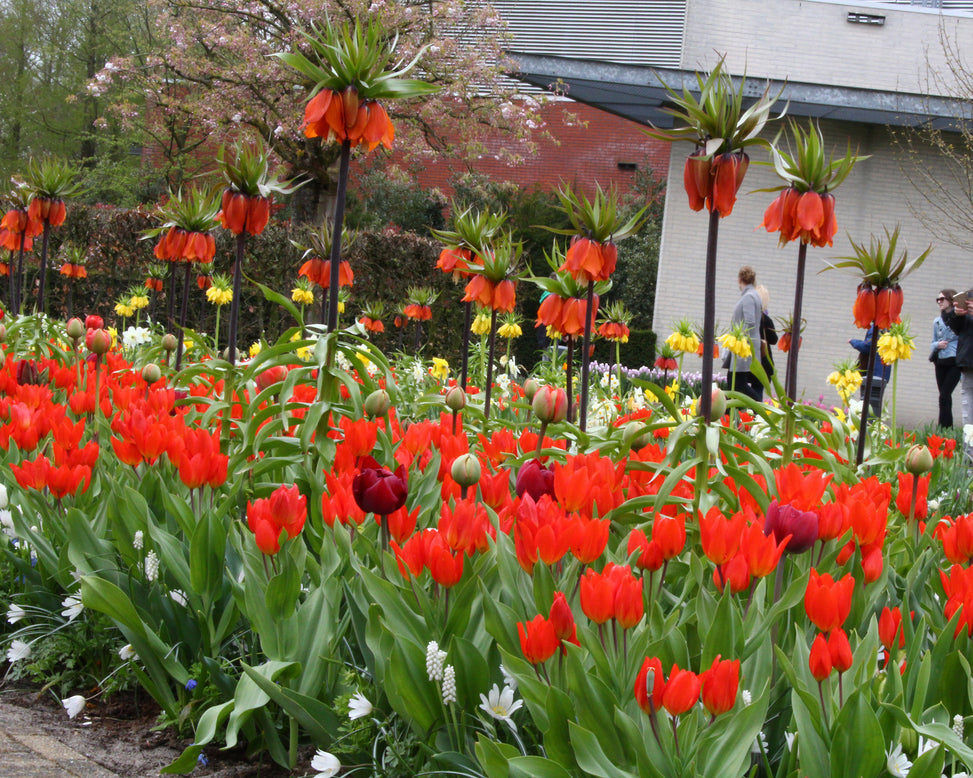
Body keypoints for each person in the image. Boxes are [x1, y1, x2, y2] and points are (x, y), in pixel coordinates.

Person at [728, 265, 762, 401]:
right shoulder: (755, 295)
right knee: (735, 384)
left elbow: (749, 322)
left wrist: (738, 339)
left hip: (743, 348)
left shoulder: (748, 297)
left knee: (736, 384)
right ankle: (729, 416)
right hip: (747, 346)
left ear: (739, 280)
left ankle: (760, 408)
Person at [942, 290, 973, 433]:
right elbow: (956, 328)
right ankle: (969, 453)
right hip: (969, 364)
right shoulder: (970, 295)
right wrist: (957, 314)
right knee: (968, 417)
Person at [931, 288, 960, 428]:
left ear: (951, 300)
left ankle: (945, 428)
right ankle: (945, 429)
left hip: (955, 362)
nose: (939, 302)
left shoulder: (960, 319)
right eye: (938, 300)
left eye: (942, 299)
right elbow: (933, 343)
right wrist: (938, 344)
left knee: (945, 395)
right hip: (940, 362)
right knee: (943, 397)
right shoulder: (936, 322)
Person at [850, 325, 891, 417]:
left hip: (874, 372)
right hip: (883, 372)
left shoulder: (877, 327)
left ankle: (867, 424)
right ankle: (872, 423)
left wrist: (853, 342)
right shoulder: (889, 327)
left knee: (867, 402)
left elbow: (868, 346)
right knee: (876, 403)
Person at [755, 284, 778, 401]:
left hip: (747, 359)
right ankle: (755, 414)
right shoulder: (766, 320)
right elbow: (774, 340)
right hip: (762, 361)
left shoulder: (746, 317)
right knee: (758, 389)